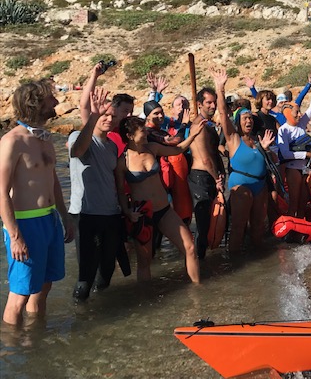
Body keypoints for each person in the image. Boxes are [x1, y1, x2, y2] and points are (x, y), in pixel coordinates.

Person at [1, 80, 74, 326]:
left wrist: (65, 218)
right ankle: (13, 351)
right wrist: (15, 236)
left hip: (49, 219)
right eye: (50, 98)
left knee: (44, 286)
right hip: (25, 224)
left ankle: (34, 340)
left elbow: (53, 182)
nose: (56, 102)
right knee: (20, 294)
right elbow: (1, 192)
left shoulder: (45, 139)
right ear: (35, 103)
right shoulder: (13, 141)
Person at [116, 116, 203, 283]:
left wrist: (193, 135)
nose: (146, 132)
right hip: (142, 214)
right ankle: (147, 301)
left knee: (190, 248)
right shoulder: (123, 162)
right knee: (144, 261)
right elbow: (120, 192)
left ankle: (198, 293)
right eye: (142, 130)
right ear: (130, 135)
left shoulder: (153, 148)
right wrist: (127, 212)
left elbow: (177, 150)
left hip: (164, 209)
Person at [212, 69, 275, 253]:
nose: (249, 121)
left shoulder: (257, 140)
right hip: (242, 186)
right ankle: (234, 264)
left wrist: (266, 148)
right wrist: (220, 89)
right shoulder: (233, 139)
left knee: (258, 228)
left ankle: (259, 266)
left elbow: (271, 161)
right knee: (238, 228)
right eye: (245, 118)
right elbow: (223, 114)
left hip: (260, 186)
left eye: (251, 118)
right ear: (238, 122)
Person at [68, 88, 122, 301]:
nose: (108, 119)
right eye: (104, 115)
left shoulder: (111, 147)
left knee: (107, 271)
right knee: (85, 276)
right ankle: (79, 319)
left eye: (112, 116)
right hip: (86, 215)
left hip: (110, 213)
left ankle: (99, 310)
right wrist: (92, 117)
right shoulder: (79, 137)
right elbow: (77, 151)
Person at [188, 87, 225, 259]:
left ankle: (202, 261)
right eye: (208, 102)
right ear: (199, 104)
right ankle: (197, 263)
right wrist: (216, 178)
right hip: (201, 177)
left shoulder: (207, 125)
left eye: (214, 102)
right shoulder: (200, 126)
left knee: (210, 223)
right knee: (202, 226)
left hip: (207, 177)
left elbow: (213, 153)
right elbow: (205, 158)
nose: (212, 106)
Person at [277, 71, 311, 218]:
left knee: (303, 202)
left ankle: (301, 229)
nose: (300, 115)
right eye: (296, 112)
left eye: (299, 112)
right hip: (293, 169)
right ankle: (291, 230)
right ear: (288, 113)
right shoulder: (284, 130)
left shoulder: (301, 124)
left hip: (305, 168)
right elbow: (286, 154)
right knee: (294, 202)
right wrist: (307, 154)